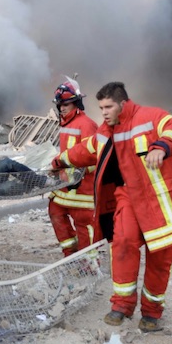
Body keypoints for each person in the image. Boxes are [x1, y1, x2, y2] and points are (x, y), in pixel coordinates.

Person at [56, 81, 172, 332]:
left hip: (159, 201)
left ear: (123, 104)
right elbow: (85, 150)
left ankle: (152, 312)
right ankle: (121, 305)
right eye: (101, 107)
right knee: (122, 244)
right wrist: (58, 161)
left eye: (108, 106)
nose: (103, 112)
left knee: (160, 259)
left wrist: (163, 146)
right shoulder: (105, 130)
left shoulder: (150, 116)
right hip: (128, 196)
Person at [47, 80, 99, 257]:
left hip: (82, 187)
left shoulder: (86, 125)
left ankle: (89, 263)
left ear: (76, 103)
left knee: (84, 223)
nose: (62, 108)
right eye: (60, 105)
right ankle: (70, 254)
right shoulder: (66, 123)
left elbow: (92, 157)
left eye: (65, 104)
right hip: (65, 184)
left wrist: (71, 171)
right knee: (55, 210)